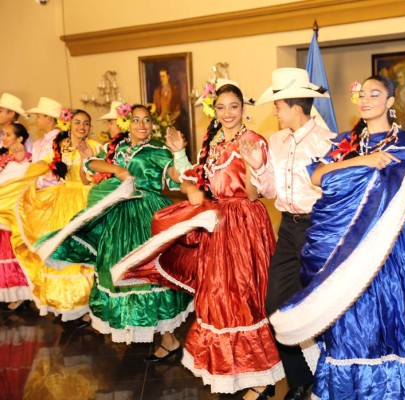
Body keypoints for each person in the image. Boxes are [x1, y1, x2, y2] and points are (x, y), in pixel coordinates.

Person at [269, 75, 405, 399]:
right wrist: (363, 160)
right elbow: (319, 177)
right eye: (362, 94)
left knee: (401, 323)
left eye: (374, 94)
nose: (365, 100)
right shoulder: (346, 144)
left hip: (400, 247)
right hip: (352, 243)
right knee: (356, 323)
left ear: (390, 102)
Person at [111, 81, 284, 399]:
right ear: (214, 112)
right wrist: (178, 153)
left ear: (244, 109)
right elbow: (193, 179)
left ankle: (261, 379)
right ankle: (239, 369)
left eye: (234, 106)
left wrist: (252, 164)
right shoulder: (216, 145)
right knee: (218, 299)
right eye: (221, 107)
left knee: (243, 298)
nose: (228, 112)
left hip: (244, 225)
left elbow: (255, 194)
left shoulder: (253, 140)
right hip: (219, 225)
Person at [35, 104, 194, 359]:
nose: (142, 125)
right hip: (119, 216)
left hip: (146, 215)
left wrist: (178, 153)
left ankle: (169, 339)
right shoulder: (118, 148)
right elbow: (92, 176)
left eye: (147, 120)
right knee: (119, 272)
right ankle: (156, 334)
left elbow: (178, 176)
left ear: (152, 125)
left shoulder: (158, 150)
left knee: (147, 275)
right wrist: (93, 160)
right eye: (136, 120)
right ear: (127, 124)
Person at [245, 67, 335, 400]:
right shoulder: (276, 142)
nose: (274, 112)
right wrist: (256, 166)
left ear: (295, 105)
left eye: (278, 105)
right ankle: (300, 381)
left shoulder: (327, 141)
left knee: (321, 308)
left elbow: (337, 190)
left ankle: (329, 380)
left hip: (319, 229)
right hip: (288, 229)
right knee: (276, 306)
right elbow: (267, 190)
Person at [16, 109, 101, 321]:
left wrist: (85, 160)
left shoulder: (95, 147)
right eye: (77, 122)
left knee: (85, 251)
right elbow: (45, 168)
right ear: (69, 125)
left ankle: (89, 305)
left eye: (86, 123)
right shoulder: (60, 146)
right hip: (63, 201)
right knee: (62, 250)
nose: (82, 127)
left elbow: (86, 180)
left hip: (84, 199)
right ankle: (70, 302)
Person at [0, 122, 33, 309]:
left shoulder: (23, 161)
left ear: (19, 139)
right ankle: (8, 292)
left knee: (12, 253)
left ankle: (21, 293)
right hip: (2, 215)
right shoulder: (5, 158)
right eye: (3, 134)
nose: (3, 138)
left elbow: (21, 184)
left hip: (9, 216)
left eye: (8, 135)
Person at [26, 97, 62, 162]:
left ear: (49, 119)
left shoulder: (61, 141)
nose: (36, 120)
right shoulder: (37, 143)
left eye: (38, 117)